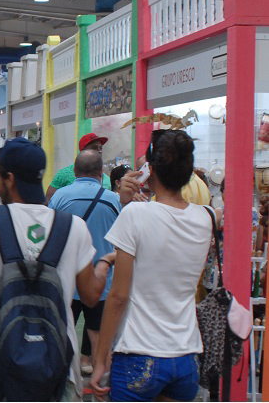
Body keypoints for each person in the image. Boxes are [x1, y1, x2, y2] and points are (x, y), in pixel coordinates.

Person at [0, 138, 110, 400]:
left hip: (4, 366)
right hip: (59, 367)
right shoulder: (72, 226)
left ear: (9, 178)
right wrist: (106, 262)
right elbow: (90, 295)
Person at [89, 130, 214, 402]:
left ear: (151, 170)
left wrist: (100, 360)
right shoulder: (205, 218)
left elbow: (119, 297)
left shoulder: (136, 214)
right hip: (185, 356)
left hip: (139, 355)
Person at [48, 151, 139, 376]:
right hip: (102, 278)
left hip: (66, 277)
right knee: (98, 332)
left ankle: (61, 374)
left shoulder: (59, 197)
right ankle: (100, 372)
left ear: (75, 171)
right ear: (101, 174)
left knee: (61, 328)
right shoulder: (113, 199)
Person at [46, 133, 113, 203]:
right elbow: (49, 200)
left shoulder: (106, 179)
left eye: (100, 148)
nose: (99, 151)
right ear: (83, 151)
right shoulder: (64, 174)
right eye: (94, 148)